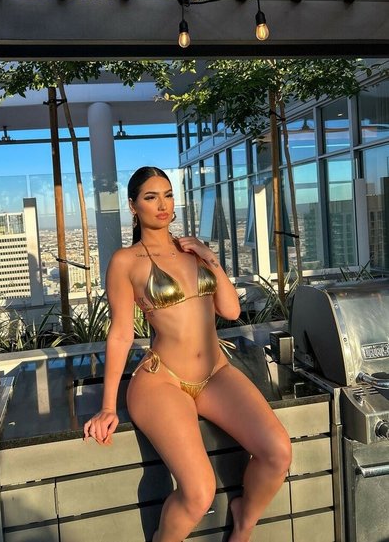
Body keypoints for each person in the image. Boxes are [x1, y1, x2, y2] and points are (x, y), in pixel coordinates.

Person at [83, 166, 292, 542]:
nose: (162, 205)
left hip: (216, 373)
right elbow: (121, 334)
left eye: (167, 195)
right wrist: (108, 406)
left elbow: (230, 310)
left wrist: (210, 258)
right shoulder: (126, 261)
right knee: (198, 493)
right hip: (162, 380)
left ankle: (243, 524)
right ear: (133, 206)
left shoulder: (192, 250)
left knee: (278, 452)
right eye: (151, 197)